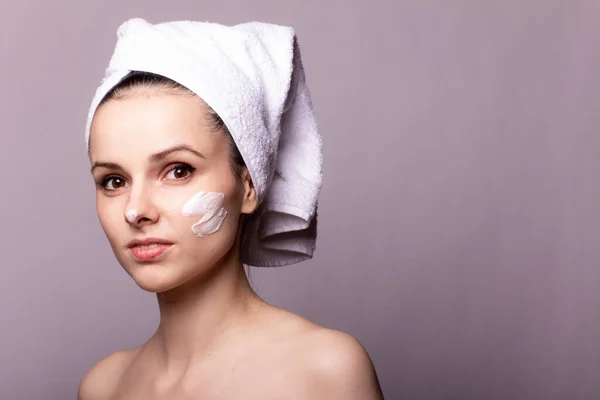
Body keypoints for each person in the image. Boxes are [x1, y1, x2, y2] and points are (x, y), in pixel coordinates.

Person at [78, 17, 383, 399]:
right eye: (114, 181)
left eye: (178, 170)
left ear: (249, 184)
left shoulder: (324, 371)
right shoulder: (104, 387)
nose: (135, 211)